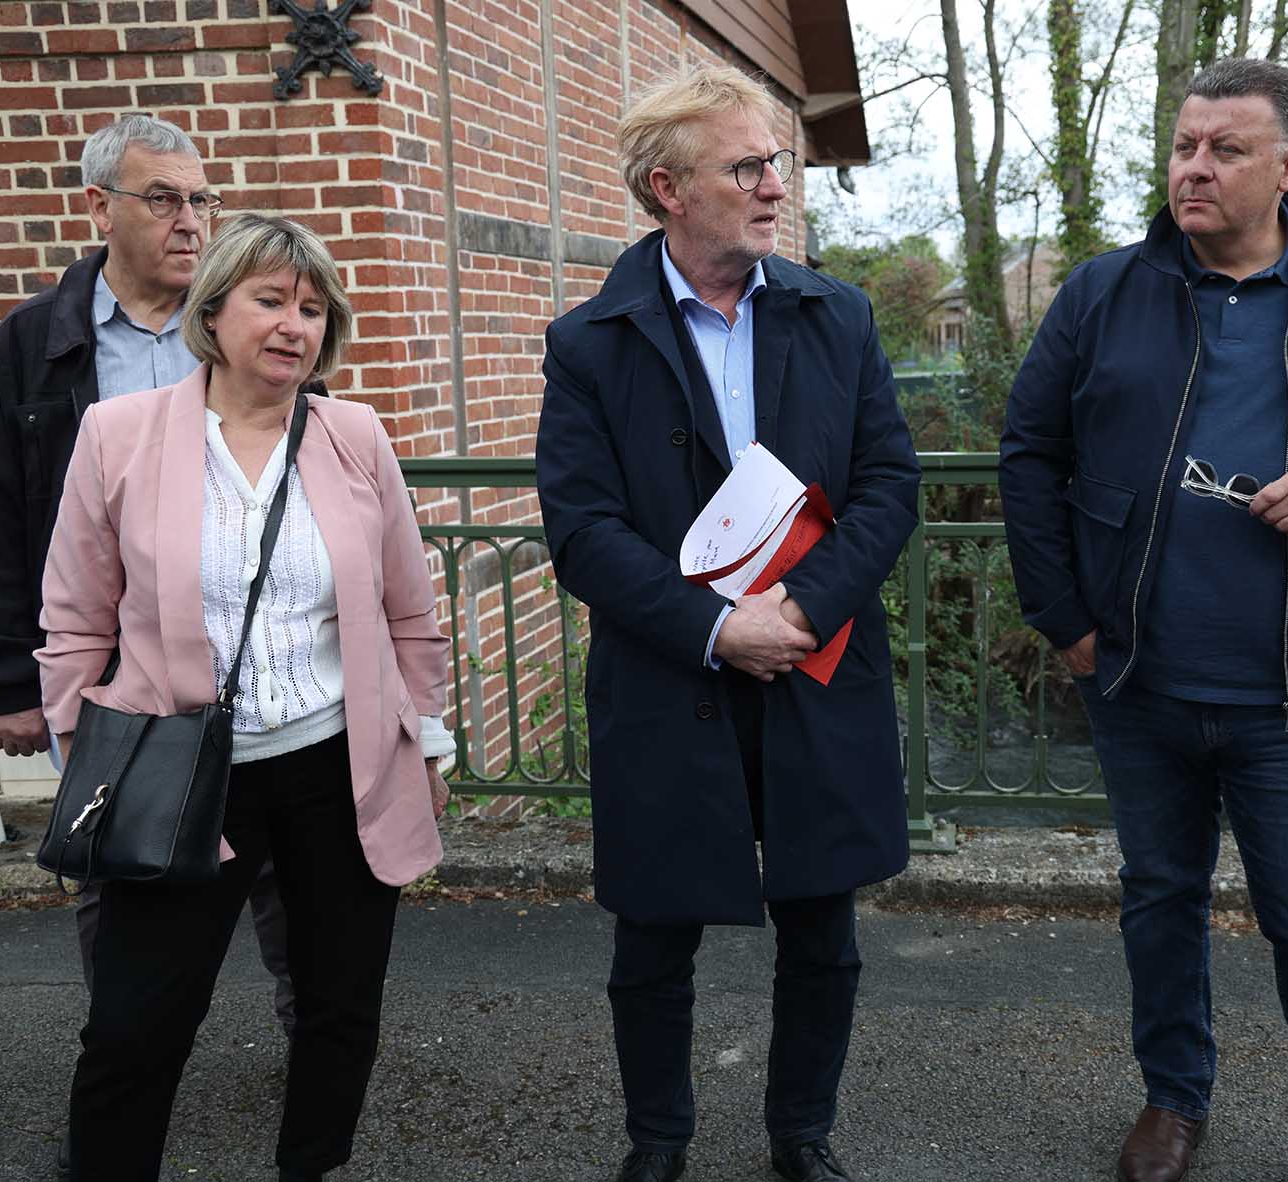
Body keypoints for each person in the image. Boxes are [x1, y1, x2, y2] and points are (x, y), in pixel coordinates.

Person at [1000, 58, 1288, 1182]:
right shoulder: (1102, 291)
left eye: (1224, 149)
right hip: (1136, 680)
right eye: (1182, 146)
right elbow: (1029, 453)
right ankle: (1172, 1101)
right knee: (1158, 900)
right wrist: (1065, 617)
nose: (1193, 168)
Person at [535, 63, 920, 1182]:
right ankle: (657, 1142)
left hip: (813, 661)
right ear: (666, 188)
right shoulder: (589, 341)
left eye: (776, 164)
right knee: (652, 936)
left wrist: (799, 607)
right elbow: (582, 530)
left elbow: (889, 484)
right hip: (669, 677)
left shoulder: (833, 314)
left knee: (821, 927)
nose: (772, 187)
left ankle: (800, 1135)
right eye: (745, 166)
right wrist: (713, 628)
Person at [37, 213, 455, 1182]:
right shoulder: (119, 436)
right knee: (136, 1024)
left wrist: (425, 744)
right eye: (271, 301)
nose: (293, 326)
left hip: (335, 767)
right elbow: (74, 622)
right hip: (176, 772)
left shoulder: (353, 436)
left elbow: (408, 612)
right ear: (213, 309)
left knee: (337, 1008)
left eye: (312, 310)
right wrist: (85, 759)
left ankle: (309, 1168)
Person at [0, 116, 297, 1054]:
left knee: (279, 864)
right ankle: (124, 1058)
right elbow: (4, 516)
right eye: (164, 198)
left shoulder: (242, 321)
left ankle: (312, 1044)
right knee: (117, 851)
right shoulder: (34, 344)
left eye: (202, 198)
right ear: (99, 208)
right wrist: (15, 680)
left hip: (246, 642)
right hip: (110, 661)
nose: (191, 220)